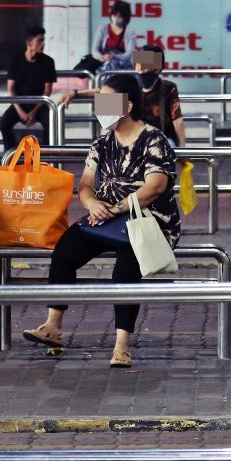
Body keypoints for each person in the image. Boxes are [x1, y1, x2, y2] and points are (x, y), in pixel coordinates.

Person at [22, 74, 181, 368]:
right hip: (106, 215)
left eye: (106, 101)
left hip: (147, 219)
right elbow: (84, 185)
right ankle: (53, 326)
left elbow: (155, 186)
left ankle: (122, 345)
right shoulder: (102, 142)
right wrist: (92, 203)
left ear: (128, 105)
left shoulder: (153, 139)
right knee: (65, 250)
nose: (100, 108)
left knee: (126, 264)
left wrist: (118, 207)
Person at [58, 45, 186, 148]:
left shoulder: (168, 88)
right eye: (138, 62)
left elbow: (177, 120)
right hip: (134, 138)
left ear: (157, 68)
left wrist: (183, 149)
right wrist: (75, 93)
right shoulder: (131, 84)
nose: (140, 67)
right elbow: (105, 91)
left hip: (161, 140)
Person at [0, 26, 57, 152]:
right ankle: (10, 156)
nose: (43, 44)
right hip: (20, 103)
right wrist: (19, 110)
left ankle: (46, 157)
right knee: (4, 124)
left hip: (40, 104)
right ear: (29, 43)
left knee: (51, 124)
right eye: (39, 41)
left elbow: (47, 91)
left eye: (43, 40)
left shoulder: (48, 62)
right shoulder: (16, 60)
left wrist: (34, 111)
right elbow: (11, 88)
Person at [93, 0, 139, 71]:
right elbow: (94, 50)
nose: (116, 18)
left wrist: (115, 57)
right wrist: (101, 57)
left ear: (125, 17)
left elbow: (129, 55)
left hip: (123, 66)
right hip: (104, 63)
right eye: (114, 15)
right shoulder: (103, 28)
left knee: (112, 64)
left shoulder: (130, 32)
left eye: (119, 16)